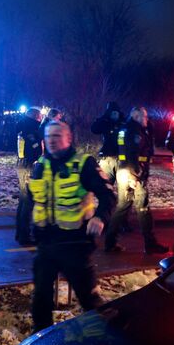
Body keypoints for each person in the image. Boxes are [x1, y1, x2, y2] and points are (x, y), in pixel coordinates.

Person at [28, 121, 116, 332]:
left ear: (69, 138)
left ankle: (109, 338)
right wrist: (24, 228)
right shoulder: (40, 165)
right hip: (46, 244)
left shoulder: (83, 164)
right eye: (48, 136)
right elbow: (30, 199)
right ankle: (42, 341)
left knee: (89, 299)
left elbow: (108, 195)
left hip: (74, 245)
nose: (52, 140)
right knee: (40, 298)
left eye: (57, 135)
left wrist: (100, 217)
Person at [106, 107, 168, 254]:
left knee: (122, 207)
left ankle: (109, 242)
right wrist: (134, 175)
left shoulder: (127, 128)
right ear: (136, 116)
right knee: (143, 208)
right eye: (144, 116)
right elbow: (131, 153)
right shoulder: (134, 131)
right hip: (133, 173)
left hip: (126, 172)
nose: (147, 119)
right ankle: (150, 244)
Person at [15, 107, 43, 245]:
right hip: (29, 165)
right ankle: (24, 235)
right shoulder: (31, 128)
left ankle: (20, 232)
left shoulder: (22, 126)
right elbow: (35, 147)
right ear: (35, 116)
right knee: (28, 200)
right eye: (39, 115)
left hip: (22, 164)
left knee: (23, 200)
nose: (40, 118)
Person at [90, 101, 124, 184]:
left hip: (122, 160)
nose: (115, 115)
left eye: (116, 112)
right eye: (112, 112)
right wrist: (104, 117)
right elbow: (94, 129)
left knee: (124, 191)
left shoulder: (124, 123)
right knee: (105, 187)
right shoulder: (105, 122)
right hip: (107, 158)